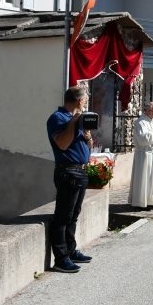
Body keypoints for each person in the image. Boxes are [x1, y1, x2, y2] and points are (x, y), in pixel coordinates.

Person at [46, 86, 94, 273]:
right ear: (80, 101)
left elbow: (87, 145)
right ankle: (61, 258)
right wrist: (73, 122)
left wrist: (88, 136)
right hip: (68, 172)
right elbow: (62, 144)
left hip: (80, 172)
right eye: (86, 98)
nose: (86, 101)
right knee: (63, 216)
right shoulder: (57, 118)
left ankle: (71, 251)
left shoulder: (79, 120)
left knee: (73, 215)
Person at [129, 102, 153, 208]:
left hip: (152, 154)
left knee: (151, 179)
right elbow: (144, 139)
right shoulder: (141, 122)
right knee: (144, 179)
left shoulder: (150, 122)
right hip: (144, 155)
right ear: (150, 111)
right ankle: (140, 202)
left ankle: (150, 201)